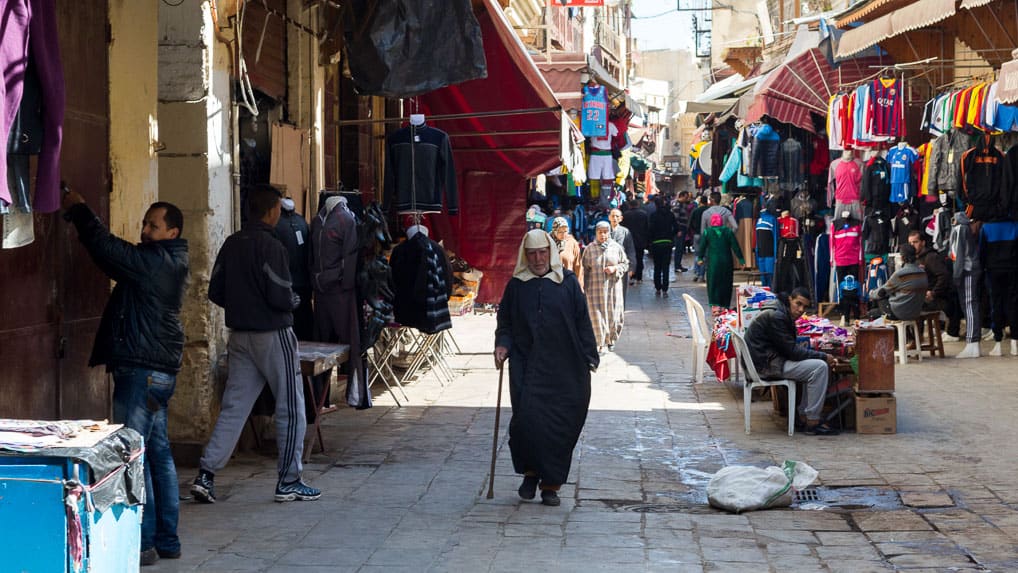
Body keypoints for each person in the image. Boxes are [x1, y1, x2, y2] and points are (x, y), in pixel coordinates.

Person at [63, 190, 188, 566]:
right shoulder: (169, 259)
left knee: (132, 455)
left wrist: (82, 211)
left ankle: (143, 540)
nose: (145, 230)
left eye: (154, 225)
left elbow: (108, 251)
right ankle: (167, 539)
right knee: (158, 454)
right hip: (156, 372)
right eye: (145, 224)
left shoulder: (156, 261)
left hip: (143, 373)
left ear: (172, 232)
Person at [191, 184, 321, 505]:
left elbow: (216, 292)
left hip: (240, 334)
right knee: (291, 408)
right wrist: (293, 299)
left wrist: (243, 305)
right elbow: (280, 295)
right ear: (272, 210)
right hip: (273, 333)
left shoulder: (232, 243)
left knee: (235, 407)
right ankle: (289, 480)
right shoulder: (272, 246)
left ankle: (206, 475)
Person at [494, 229, 599, 507]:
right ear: (525, 256)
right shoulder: (517, 285)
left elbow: (582, 321)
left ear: (551, 253)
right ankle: (530, 474)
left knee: (560, 426)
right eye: (532, 253)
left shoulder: (567, 283)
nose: (538, 259)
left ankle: (551, 484)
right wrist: (502, 344)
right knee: (526, 422)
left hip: (565, 367)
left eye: (543, 252)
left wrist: (590, 354)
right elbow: (505, 321)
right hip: (527, 366)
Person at [744, 287, 839, 435]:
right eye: (798, 304)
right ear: (790, 300)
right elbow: (792, 352)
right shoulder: (777, 316)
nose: (801, 310)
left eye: (805, 307)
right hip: (766, 366)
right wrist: (823, 356)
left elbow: (789, 348)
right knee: (819, 367)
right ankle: (812, 421)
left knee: (815, 366)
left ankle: (803, 415)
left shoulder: (779, 310)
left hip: (767, 361)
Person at [580, 221, 629, 352]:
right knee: (596, 317)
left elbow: (625, 264)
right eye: (600, 232)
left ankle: (611, 340)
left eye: (605, 232)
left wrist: (615, 268)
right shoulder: (590, 249)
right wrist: (582, 288)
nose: (603, 235)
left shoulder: (616, 248)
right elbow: (583, 269)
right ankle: (600, 342)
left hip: (612, 289)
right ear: (596, 233)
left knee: (614, 315)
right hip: (595, 290)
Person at [908, 230, 961, 339]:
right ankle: (915, 339)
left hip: (938, 298)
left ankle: (916, 340)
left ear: (922, 242)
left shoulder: (931, 257)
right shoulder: (914, 259)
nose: (912, 245)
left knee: (913, 306)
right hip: (924, 296)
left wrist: (934, 292)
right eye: (910, 243)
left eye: (915, 242)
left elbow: (944, 276)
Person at [275, 197, 313, 340]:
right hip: (289, 281)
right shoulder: (285, 223)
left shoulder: (300, 221)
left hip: (300, 281)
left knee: (302, 321)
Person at [867, 244, 927, 321]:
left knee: (874, 309)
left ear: (902, 257)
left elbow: (882, 291)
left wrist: (871, 294)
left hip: (899, 313)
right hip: (915, 312)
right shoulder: (922, 273)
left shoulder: (900, 274)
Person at [697, 213, 745, 309]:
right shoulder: (728, 231)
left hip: (713, 262)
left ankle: (714, 303)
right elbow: (735, 246)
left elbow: (702, 246)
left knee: (713, 281)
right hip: (726, 261)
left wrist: (700, 258)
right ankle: (725, 304)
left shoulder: (707, 232)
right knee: (726, 282)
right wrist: (741, 260)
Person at [648, 195, 679, 296]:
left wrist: (651, 241)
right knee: (666, 267)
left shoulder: (653, 215)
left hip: (656, 243)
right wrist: (671, 236)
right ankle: (665, 289)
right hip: (667, 243)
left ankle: (658, 288)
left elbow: (650, 229)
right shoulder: (670, 214)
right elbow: (676, 228)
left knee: (657, 267)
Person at [609, 208, 636, 295]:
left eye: (617, 216)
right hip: (607, 266)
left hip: (621, 265)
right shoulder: (604, 231)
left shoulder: (625, 232)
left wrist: (631, 267)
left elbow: (630, 250)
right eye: (613, 216)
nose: (615, 218)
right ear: (609, 217)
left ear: (621, 218)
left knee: (621, 292)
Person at [621, 199, 649, 283]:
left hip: (628, 240)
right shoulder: (643, 214)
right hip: (640, 240)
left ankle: (632, 276)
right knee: (639, 258)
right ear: (638, 205)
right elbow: (647, 228)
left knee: (630, 258)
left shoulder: (625, 215)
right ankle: (639, 277)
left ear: (630, 205)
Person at [671, 191, 693, 273]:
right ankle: (677, 266)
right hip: (680, 230)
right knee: (679, 248)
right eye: (686, 197)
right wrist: (678, 230)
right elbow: (675, 219)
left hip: (682, 229)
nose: (687, 199)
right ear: (682, 196)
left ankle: (679, 265)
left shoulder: (682, 205)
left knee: (680, 248)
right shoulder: (677, 205)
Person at [689, 195, 709, 282]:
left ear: (700, 201)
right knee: (704, 255)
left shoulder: (695, 211)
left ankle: (696, 273)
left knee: (697, 255)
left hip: (697, 234)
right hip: (706, 235)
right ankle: (701, 276)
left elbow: (690, 224)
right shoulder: (709, 211)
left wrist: (693, 231)